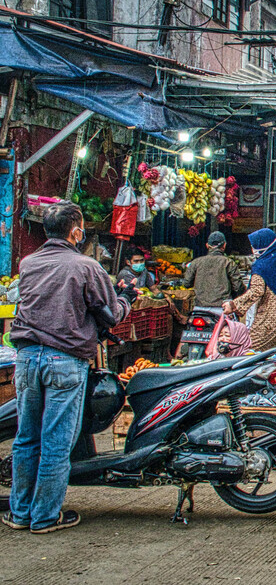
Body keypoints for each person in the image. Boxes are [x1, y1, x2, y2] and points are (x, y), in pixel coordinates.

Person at [5, 202, 132, 533]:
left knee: (26, 438)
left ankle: (20, 514)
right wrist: (126, 300)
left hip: (27, 358)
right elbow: (110, 314)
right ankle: (45, 516)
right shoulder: (86, 266)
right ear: (76, 231)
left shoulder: (28, 263)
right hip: (65, 360)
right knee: (55, 443)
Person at [183, 231, 245, 308]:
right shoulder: (228, 263)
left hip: (199, 308)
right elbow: (238, 287)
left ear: (207, 245)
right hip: (223, 308)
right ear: (224, 245)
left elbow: (186, 283)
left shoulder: (196, 262)